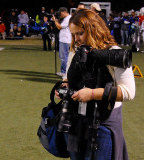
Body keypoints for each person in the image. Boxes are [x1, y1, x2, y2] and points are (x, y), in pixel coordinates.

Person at [55, 9, 135, 160]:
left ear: (92, 30)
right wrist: (64, 86)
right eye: (73, 34)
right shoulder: (77, 49)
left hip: (104, 123)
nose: (76, 39)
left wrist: (92, 94)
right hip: (77, 120)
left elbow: (128, 92)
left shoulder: (115, 53)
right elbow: (68, 77)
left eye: (79, 33)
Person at [52, 7, 71, 77]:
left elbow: (59, 27)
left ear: (64, 12)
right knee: (64, 56)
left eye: (60, 13)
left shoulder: (68, 18)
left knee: (63, 57)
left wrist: (55, 21)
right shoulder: (67, 18)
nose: (60, 15)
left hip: (65, 40)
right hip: (64, 39)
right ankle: (64, 71)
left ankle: (64, 72)